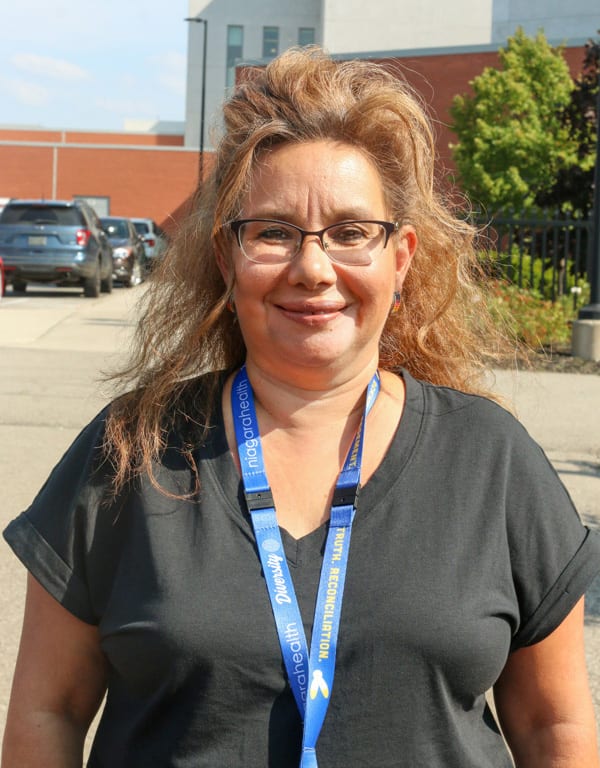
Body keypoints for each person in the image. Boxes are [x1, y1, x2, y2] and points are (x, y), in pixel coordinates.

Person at [2, 47, 599, 768]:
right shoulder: (132, 449)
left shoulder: (490, 460)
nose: (313, 268)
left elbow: (556, 728)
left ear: (401, 257)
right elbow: (48, 710)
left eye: (352, 233)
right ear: (227, 258)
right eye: (275, 232)